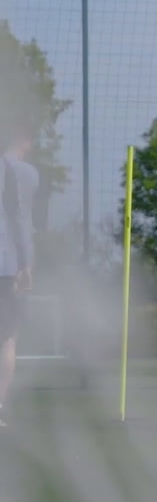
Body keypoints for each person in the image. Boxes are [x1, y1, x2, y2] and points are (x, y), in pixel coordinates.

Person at [0, 122, 38, 427]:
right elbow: (19, 217)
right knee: (7, 337)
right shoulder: (17, 171)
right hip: (5, 263)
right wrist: (26, 262)